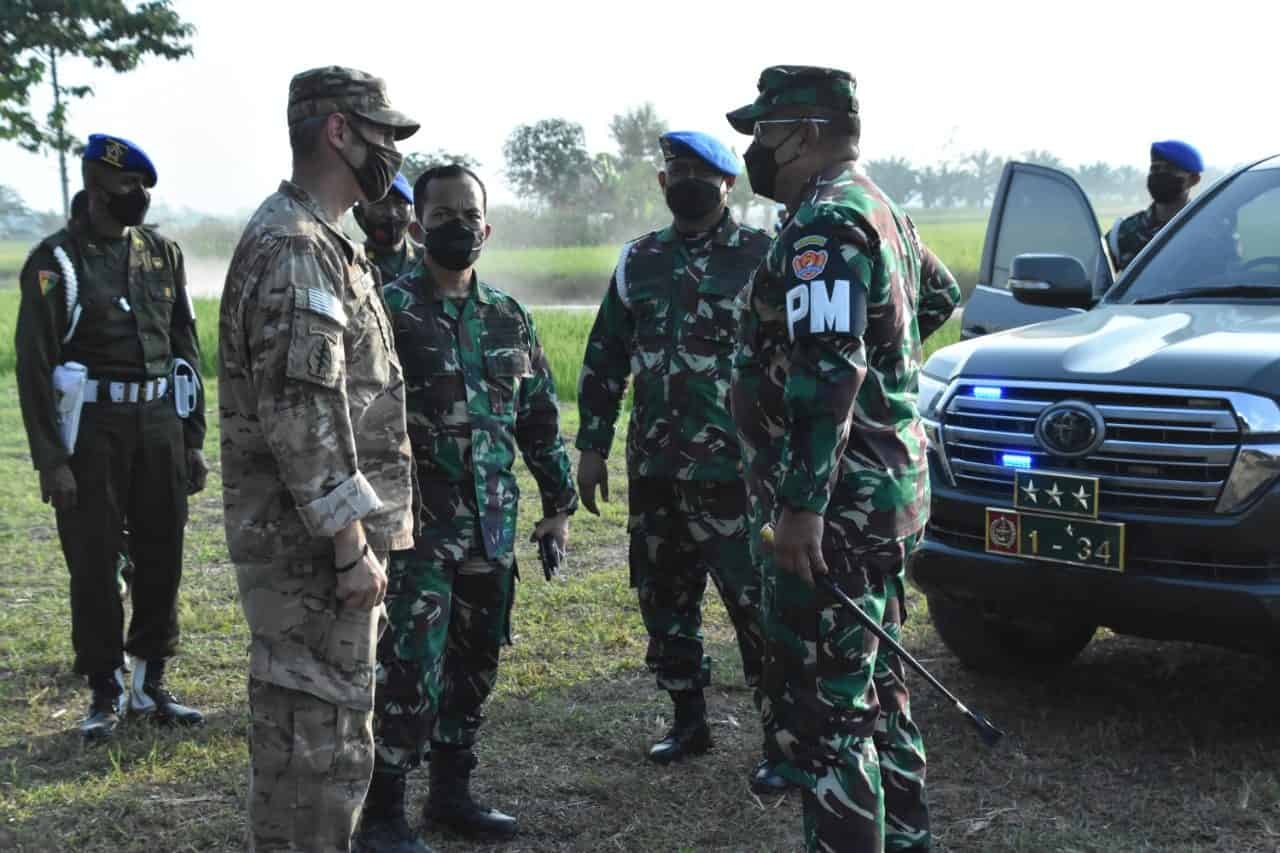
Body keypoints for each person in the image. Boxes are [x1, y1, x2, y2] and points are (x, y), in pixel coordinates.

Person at [725, 65, 961, 852]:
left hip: (837, 514)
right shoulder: (883, 207)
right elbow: (938, 296)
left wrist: (802, 505)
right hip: (887, 497)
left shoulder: (825, 224)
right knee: (880, 694)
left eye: (764, 132)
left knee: (830, 720)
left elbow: (829, 365)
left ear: (810, 131)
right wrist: (886, 385)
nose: (756, 151)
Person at [218, 66, 419, 853]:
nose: (391, 156)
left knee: (318, 743)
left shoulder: (322, 243)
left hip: (318, 555)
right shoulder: (296, 249)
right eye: (383, 137)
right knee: (317, 750)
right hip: (309, 558)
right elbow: (304, 413)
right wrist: (348, 543)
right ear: (339, 131)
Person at [354, 163, 578, 851]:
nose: (457, 226)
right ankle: (384, 812)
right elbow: (355, 418)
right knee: (408, 670)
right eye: (441, 215)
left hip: (491, 527)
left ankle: (451, 795)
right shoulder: (387, 311)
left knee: (476, 664)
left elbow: (538, 418)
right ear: (418, 225)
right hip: (414, 532)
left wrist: (557, 504)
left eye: (468, 215)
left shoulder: (508, 316)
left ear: (487, 226)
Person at [575, 130, 789, 790]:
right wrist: (591, 443)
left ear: (727, 183)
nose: (686, 179)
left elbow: (802, 350)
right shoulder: (638, 260)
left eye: (702, 171)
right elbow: (606, 352)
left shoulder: (764, 256)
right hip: (656, 467)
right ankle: (686, 717)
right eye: (676, 170)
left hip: (738, 472)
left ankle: (782, 741)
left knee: (757, 606)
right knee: (663, 597)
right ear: (662, 183)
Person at [15, 133, 208, 742]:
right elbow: (33, 363)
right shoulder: (57, 261)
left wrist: (193, 438)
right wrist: (52, 460)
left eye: (145, 187)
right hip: (92, 432)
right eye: (128, 186)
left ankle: (151, 683)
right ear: (97, 188)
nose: (139, 197)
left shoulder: (162, 253)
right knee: (95, 563)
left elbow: (185, 350)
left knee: (162, 555)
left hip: (158, 427)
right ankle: (104, 685)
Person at [1106, 140, 1203, 272]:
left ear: (1194, 180)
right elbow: (1099, 282)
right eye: (1155, 168)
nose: (1160, 174)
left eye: (1170, 169)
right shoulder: (1123, 232)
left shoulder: (1207, 229)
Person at [355, 172, 418, 284]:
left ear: (412, 211)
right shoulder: (352, 264)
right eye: (380, 203)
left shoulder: (429, 261)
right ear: (359, 212)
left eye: (400, 203)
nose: (391, 213)